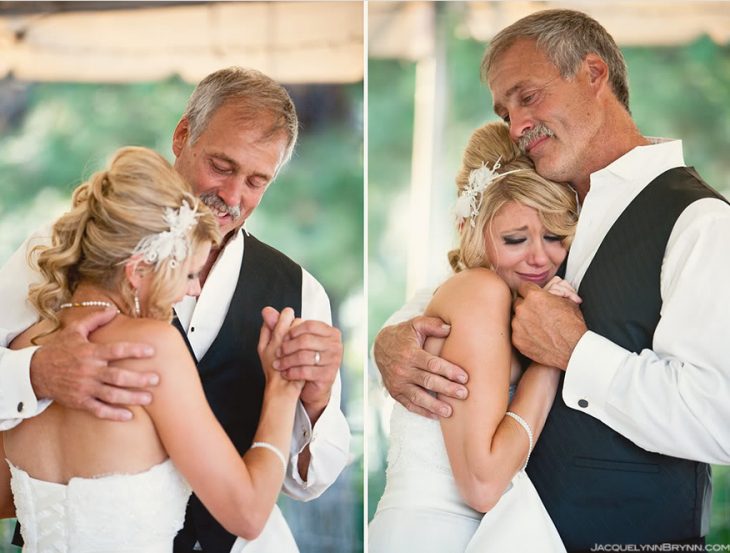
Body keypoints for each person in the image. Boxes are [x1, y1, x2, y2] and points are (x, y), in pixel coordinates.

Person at [373, 8, 730, 551]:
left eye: (527, 96)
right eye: (505, 110)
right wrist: (393, 339)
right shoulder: (554, 213)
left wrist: (575, 352)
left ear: (593, 74)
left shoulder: (699, 222)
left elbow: (719, 415)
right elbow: (472, 298)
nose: (516, 126)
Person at [0, 67, 351, 552]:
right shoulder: (52, 255)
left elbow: (309, 484)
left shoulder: (300, 292)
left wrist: (313, 399)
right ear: (183, 135)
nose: (232, 196)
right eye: (222, 167)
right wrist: (34, 375)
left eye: (256, 181)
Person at [369, 122, 577, 552]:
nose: (541, 257)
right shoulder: (480, 291)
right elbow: (483, 483)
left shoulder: (471, 293)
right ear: (468, 226)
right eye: (515, 239)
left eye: (555, 236)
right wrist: (550, 358)